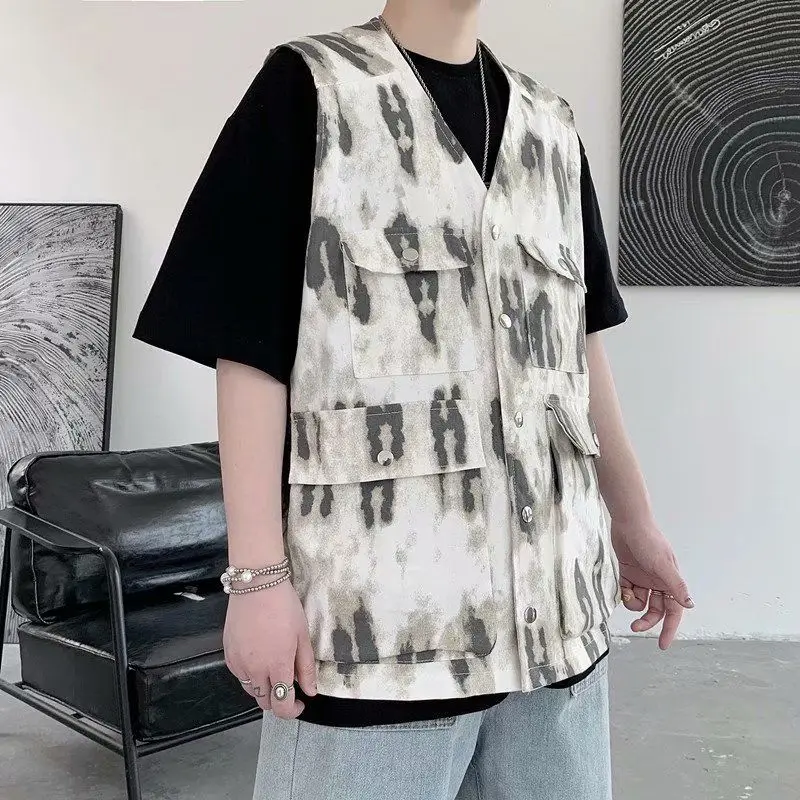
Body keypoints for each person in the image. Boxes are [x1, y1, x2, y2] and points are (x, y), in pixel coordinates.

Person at [133, 2, 695, 798]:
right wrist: (256, 581)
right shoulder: (311, 90)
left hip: (556, 623)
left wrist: (635, 526)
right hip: (380, 635)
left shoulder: (550, 126)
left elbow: (580, 350)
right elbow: (248, 351)